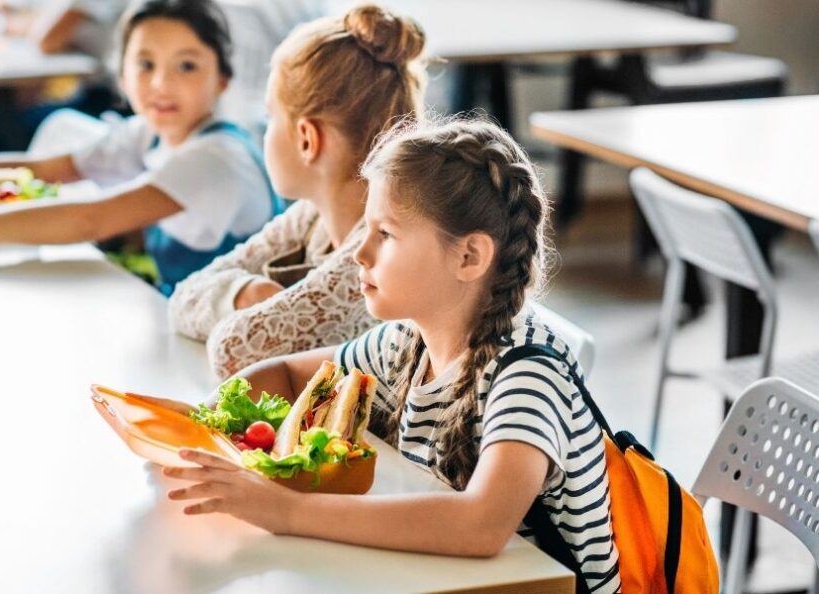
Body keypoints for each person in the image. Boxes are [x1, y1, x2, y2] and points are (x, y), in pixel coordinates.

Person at [164, 118, 621, 593]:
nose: (360, 252)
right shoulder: (405, 341)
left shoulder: (527, 372)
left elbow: (480, 525)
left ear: (469, 257)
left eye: (386, 234)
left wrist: (285, 511)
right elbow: (284, 374)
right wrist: (204, 426)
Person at [0, 0, 275, 295]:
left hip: (216, 330)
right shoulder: (148, 131)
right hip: (174, 309)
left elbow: (90, 218)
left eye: (187, 65)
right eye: (145, 64)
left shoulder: (216, 157)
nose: (162, 83)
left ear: (222, 80)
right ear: (120, 75)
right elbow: (43, 169)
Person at [169, 3, 426, 377]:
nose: (265, 130)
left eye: (271, 117)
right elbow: (184, 295)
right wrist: (245, 293)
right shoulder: (311, 215)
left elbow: (233, 351)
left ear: (307, 139)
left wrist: (242, 299)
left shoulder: (383, 244)